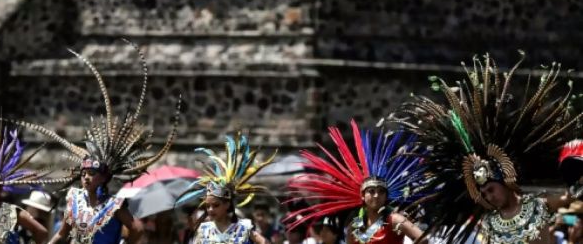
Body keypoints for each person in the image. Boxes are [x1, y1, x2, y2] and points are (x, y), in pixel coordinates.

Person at [392, 54, 582, 244]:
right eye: (484, 194)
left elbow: (570, 196)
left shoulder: (539, 205)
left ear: (505, 180)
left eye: (491, 189)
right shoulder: (489, 225)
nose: (489, 196)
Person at [13, 43, 182, 244]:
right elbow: (62, 233)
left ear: (103, 178)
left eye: (91, 174)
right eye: (84, 174)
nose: (85, 178)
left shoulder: (114, 205)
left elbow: (136, 229)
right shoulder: (74, 200)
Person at [284, 120, 428, 244]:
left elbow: (424, 240)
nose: (376, 195)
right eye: (371, 191)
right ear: (363, 196)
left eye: (381, 192)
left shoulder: (395, 220)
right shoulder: (355, 226)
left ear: (386, 196)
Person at [176, 133, 276, 244]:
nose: (210, 210)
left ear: (227, 205)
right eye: (207, 206)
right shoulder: (204, 230)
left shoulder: (243, 228)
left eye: (215, 205)